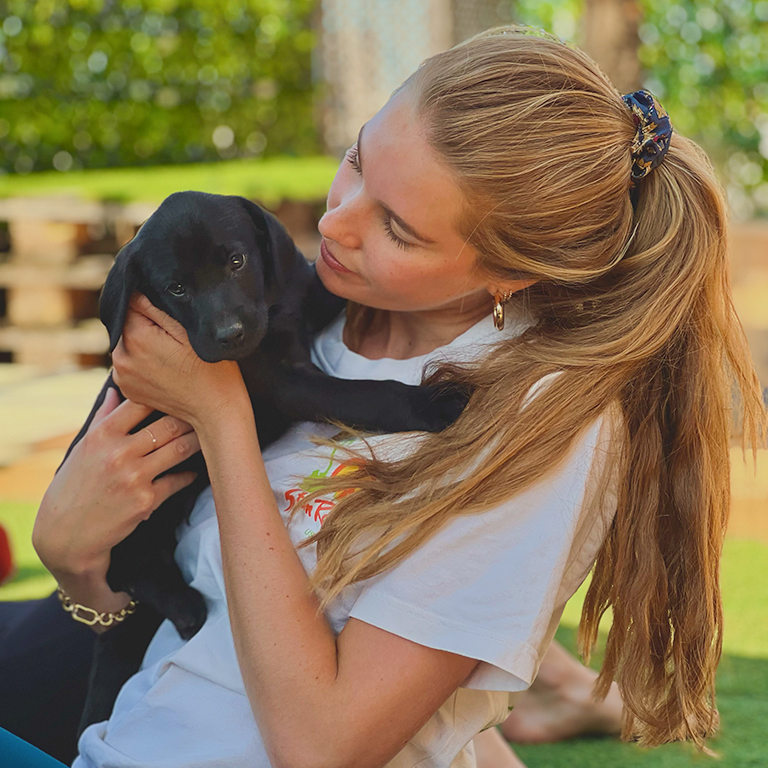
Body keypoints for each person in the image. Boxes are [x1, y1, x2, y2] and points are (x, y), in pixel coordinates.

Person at [17, 23, 764, 768]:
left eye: (398, 229)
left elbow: (323, 748)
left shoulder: (538, 421)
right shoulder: (302, 314)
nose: (335, 223)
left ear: (512, 274)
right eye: (356, 160)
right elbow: (197, 631)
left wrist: (222, 418)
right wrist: (74, 561)